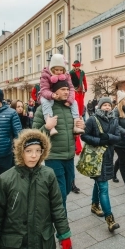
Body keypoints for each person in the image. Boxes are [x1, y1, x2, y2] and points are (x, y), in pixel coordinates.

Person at [0, 129, 72, 249]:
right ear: (21, 152)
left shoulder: (49, 174)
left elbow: (57, 207)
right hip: (15, 243)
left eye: (38, 151)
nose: (34, 155)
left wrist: (64, 234)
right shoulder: (5, 179)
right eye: (28, 151)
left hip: (43, 242)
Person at [33, 80, 85, 209]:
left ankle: (51, 210)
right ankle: (62, 227)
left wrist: (80, 126)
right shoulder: (43, 109)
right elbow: (34, 136)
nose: (66, 92)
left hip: (69, 156)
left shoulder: (70, 107)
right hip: (54, 157)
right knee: (60, 194)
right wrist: (47, 127)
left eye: (67, 89)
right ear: (54, 91)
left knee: (67, 189)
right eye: (62, 89)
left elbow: (73, 132)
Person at [81, 97, 120, 232]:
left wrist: (108, 138)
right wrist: (98, 141)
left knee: (99, 182)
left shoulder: (114, 119)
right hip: (95, 158)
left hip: (108, 157)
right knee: (103, 186)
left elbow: (118, 136)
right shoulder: (92, 119)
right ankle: (110, 219)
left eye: (109, 105)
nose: (107, 107)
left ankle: (94, 205)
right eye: (105, 105)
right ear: (99, 106)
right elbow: (84, 136)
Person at [39, 54, 83, 136]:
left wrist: (69, 100)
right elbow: (44, 89)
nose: (59, 72)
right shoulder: (46, 74)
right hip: (48, 95)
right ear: (52, 68)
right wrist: (52, 95)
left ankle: (76, 125)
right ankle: (51, 125)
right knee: (46, 102)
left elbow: (71, 88)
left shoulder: (66, 75)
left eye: (61, 70)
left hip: (60, 98)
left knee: (74, 102)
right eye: (57, 70)